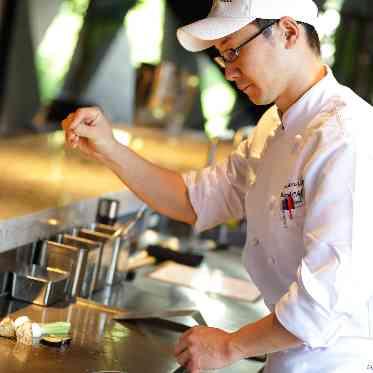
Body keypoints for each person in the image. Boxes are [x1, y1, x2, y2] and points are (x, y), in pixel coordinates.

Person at [62, 0, 373, 372]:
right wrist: (109, 148)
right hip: (291, 356)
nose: (229, 71)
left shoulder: (346, 136)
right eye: (223, 57)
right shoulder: (274, 125)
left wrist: (229, 347)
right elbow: (195, 201)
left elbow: (323, 300)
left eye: (234, 51)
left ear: (288, 32)